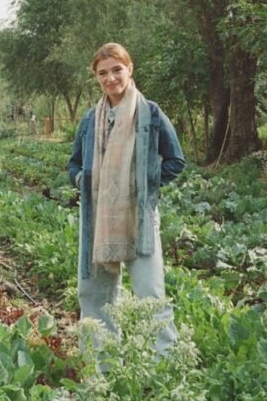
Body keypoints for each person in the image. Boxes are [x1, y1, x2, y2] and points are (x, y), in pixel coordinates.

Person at [68, 43, 185, 357]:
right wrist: (82, 180)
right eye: (102, 73)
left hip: (138, 216)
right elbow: (74, 163)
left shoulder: (150, 114)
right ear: (96, 77)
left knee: (150, 295)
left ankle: (166, 365)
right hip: (98, 218)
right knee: (93, 294)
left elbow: (175, 161)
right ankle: (100, 365)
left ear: (129, 69)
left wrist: (142, 186)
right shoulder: (90, 119)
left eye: (116, 70)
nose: (110, 78)